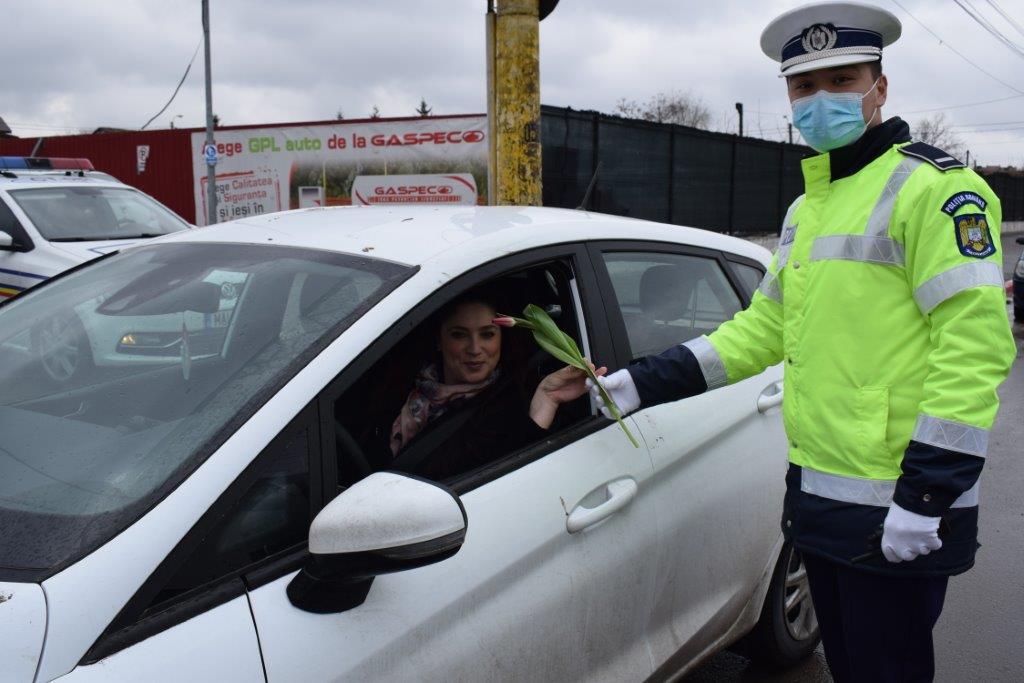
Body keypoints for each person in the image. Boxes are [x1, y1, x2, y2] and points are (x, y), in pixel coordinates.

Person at [591, 2, 1016, 680]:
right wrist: (642, 381)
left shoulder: (936, 189)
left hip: (901, 506)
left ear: (879, 87)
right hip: (820, 502)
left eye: (841, 80)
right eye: (804, 86)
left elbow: (974, 348)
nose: (821, 100)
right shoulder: (807, 207)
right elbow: (762, 328)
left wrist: (927, 495)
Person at [386, 291, 602, 481]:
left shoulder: (516, 399)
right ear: (439, 340)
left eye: (487, 334)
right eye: (459, 335)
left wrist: (547, 399)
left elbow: (516, 473)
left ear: (501, 339)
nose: (474, 349)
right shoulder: (399, 388)